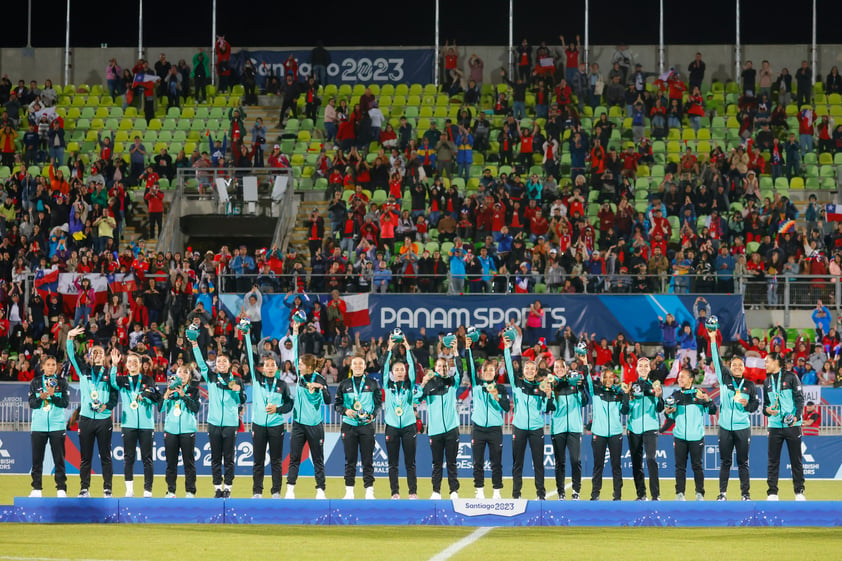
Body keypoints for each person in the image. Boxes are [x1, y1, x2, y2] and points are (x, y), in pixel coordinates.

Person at [189, 319, 245, 498]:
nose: (221, 364)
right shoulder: (211, 376)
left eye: (224, 362)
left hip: (230, 423)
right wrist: (195, 344)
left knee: (228, 458)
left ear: (229, 365)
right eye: (219, 361)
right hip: (213, 423)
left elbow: (242, 399)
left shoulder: (236, 380)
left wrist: (237, 392)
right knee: (215, 458)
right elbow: (199, 361)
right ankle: (216, 489)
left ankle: (227, 488)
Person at [709, 320, 759, 501]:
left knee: (743, 463)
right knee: (725, 462)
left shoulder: (750, 386)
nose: (737, 367)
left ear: (744, 368)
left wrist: (746, 404)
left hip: (742, 427)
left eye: (740, 365)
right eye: (734, 365)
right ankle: (722, 494)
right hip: (724, 427)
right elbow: (716, 358)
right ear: (730, 367)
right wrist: (713, 338)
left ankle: (745, 495)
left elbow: (755, 407)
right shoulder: (725, 380)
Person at [243, 319, 293, 499]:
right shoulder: (257, 380)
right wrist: (247, 336)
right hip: (258, 425)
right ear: (262, 368)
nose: (270, 368)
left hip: (276, 426)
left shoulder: (282, 385)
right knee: (257, 461)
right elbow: (250, 356)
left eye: (273, 365)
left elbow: (290, 404)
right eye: (267, 365)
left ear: (277, 369)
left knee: (276, 461)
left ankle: (276, 492)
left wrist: (278, 409)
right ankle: (257, 491)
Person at [66, 326, 118, 498]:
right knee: (85, 457)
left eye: (100, 353)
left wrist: (107, 407)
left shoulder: (109, 374)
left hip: (104, 420)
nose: (97, 355)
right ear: (90, 356)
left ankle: (108, 489)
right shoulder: (83, 371)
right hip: (86, 419)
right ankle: (84, 489)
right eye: (94, 353)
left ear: (104, 357)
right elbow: (71, 356)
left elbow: (114, 396)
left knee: (106, 456)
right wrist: (69, 338)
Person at [286, 318, 331, 499]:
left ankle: (320, 490)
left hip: (314, 425)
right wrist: (296, 332)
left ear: (309, 366)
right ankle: (290, 490)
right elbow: (296, 351)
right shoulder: (300, 375)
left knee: (318, 459)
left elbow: (328, 401)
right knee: (294, 458)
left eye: (301, 364)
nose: (298, 366)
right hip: (298, 424)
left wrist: (320, 389)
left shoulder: (319, 379)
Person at [110, 348, 161, 498]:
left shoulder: (147, 380)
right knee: (129, 458)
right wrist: (114, 365)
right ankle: (129, 490)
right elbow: (112, 382)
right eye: (130, 361)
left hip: (146, 425)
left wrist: (145, 396)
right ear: (126, 365)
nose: (132, 364)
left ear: (140, 365)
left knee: (147, 459)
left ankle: (148, 490)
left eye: (135, 361)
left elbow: (156, 397)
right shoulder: (122, 380)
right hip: (128, 424)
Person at [466, 329, 510, 499]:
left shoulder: (499, 388)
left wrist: (497, 397)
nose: (489, 373)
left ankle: (497, 491)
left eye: (492, 371)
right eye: (487, 371)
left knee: (496, 462)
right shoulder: (477, 385)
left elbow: (506, 408)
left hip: (494, 430)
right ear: (482, 373)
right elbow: (470, 366)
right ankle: (479, 491)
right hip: (478, 428)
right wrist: (468, 348)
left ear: (495, 373)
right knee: (477, 462)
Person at [503, 332, 548, 500]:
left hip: (536, 428)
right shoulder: (517, 384)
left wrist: (547, 394)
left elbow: (544, 408)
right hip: (519, 427)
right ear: (523, 370)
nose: (529, 370)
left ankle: (541, 495)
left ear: (536, 371)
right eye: (527, 368)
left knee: (538, 463)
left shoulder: (540, 387)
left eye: (532, 368)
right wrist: (507, 349)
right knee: (517, 464)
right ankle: (516, 495)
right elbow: (508, 366)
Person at [418, 335, 461, 499]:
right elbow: (415, 400)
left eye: (444, 366)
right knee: (436, 463)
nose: (442, 369)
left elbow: (460, 370)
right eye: (439, 366)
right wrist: (422, 383)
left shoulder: (452, 382)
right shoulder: (428, 386)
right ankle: (436, 491)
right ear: (435, 368)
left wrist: (455, 351)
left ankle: (453, 491)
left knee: (451, 462)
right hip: (435, 430)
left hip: (451, 429)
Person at [664, 368, 717, 501]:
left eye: (683, 377)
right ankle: (679, 494)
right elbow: (669, 416)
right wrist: (668, 411)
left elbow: (712, 410)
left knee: (697, 466)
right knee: (680, 467)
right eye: (679, 377)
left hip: (696, 437)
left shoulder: (699, 394)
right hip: (680, 437)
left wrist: (707, 399)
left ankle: (700, 493)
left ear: (691, 379)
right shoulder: (675, 395)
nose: (679, 379)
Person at [334, 354, 382, 499]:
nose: (358, 366)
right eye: (355, 364)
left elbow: (378, 403)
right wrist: (346, 411)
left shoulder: (373, 383)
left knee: (368, 460)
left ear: (365, 366)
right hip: (349, 425)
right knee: (350, 460)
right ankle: (349, 491)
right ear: (351, 366)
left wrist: (373, 415)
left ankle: (369, 491)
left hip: (367, 426)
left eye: (361, 364)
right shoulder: (344, 384)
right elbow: (337, 405)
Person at [584, 355, 628, 501]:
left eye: (611, 377)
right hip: (599, 433)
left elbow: (625, 411)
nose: (608, 379)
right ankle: (595, 494)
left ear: (615, 378)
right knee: (598, 466)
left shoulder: (619, 394)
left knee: (616, 466)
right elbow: (587, 380)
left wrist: (626, 395)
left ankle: (618, 495)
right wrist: (585, 363)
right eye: (605, 377)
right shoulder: (596, 391)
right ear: (602, 378)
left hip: (615, 433)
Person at [546, 346, 588, 500]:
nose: (558, 369)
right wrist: (549, 395)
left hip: (575, 428)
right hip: (558, 429)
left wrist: (580, 387)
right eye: (556, 367)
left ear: (566, 368)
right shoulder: (552, 385)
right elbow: (548, 409)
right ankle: (561, 493)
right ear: (553, 370)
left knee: (575, 460)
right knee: (560, 463)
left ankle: (576, 491)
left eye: (561, 367)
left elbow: (584, 402)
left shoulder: (573, 384)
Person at [763, 352, 806, 501]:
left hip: (792, 425)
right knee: (772, 461)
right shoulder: (767, 381)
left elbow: (800, 400)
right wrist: (767, 410)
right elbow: (764, 406)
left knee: (796, 460)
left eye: (767, 361)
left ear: (776, 362)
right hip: (774, 425)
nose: (765, 364)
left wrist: (796, 417)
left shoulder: (791, 377)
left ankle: (799, 491)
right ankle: (773, 493)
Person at [382, 332, 420, 499]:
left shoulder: (409, 385)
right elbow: (383, 366)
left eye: (401, 369)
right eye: (396, 369)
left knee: (410, 463)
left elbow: (413, 364)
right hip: (391, 426)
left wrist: (406, 345)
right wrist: (389, 348)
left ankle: (412, 492)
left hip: (408, 426)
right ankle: (395, 492)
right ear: (392, 372)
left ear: (405, 372)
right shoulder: (387, 384)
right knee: (393, 463)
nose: (399, 372)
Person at [28, 355, 69, 497]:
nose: (51, 367)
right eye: (48, 364)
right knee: (37, 459)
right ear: (42, 367)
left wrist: (53, 396)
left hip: (57, 426)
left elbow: (65, 403)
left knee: (59, 459)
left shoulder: (62, 382)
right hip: (38, 426)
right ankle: (37, 489)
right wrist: (41, 397)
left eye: (53, 364)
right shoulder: (35, 382)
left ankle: (61, 489)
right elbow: (32, 403)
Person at [625, 356, 664, 501]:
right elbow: (626, 410)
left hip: (650, 426)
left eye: (645, 366)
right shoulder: (631, 386)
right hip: (634, 427)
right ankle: (641, 494)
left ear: (650, 368)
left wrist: (659, 397)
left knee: (651, 459)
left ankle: (656, 495)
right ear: (636, 368)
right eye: (640, 365)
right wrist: (627, 398)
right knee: (636, 462)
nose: (643, 368)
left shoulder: (655, 386)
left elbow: (660, 408)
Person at [160, 361, 201, 498]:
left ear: (189, 377)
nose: (182, 375)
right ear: (175, 376)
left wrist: (183, 395)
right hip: (171, 430)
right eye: (180, 372)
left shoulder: (194, 391)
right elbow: (160, 409)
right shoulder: (169, 390)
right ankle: (171, 491)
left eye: (185, 372)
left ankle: (190, 491)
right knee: (171, 463)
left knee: (188, 463)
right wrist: (166, 394)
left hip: (187, 430)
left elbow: (195, 409)